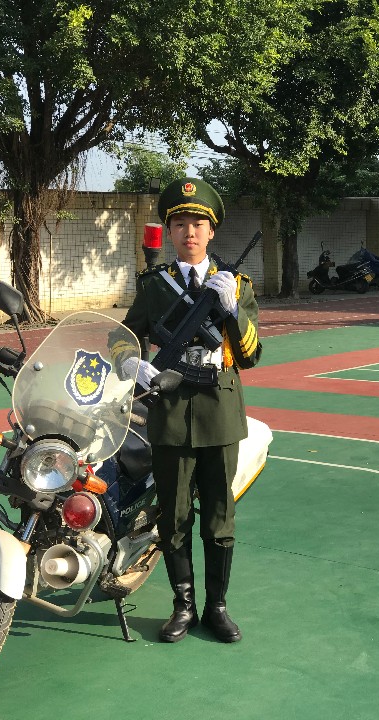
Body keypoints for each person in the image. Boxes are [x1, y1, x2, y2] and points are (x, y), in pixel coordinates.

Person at [118, 177, 261, 643]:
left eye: (198, 223)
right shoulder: (154, 285)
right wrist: (133, 363)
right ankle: (183, 607)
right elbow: (121, 337)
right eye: (179, 224)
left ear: (211, 231)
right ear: (171, 231)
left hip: (220, 413)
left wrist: (232, 309)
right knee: (174, 517)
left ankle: (217, 607)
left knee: (219, 519)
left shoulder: (236, 285)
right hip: (169, 414)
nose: (189, 231)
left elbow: (252, 354)